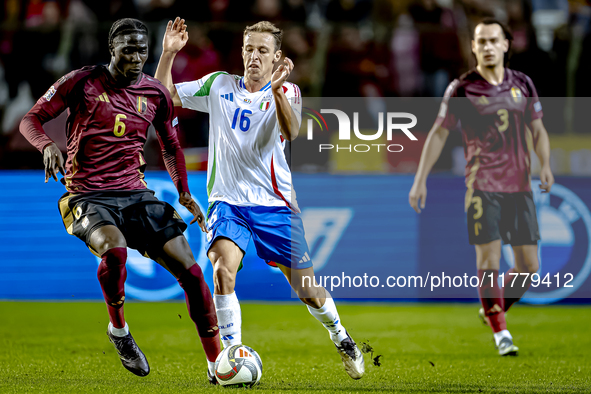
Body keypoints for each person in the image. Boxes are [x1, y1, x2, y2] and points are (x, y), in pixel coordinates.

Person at [155, 18, 365, 379]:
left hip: (275, 206)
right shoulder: (219, 85)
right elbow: (162, 98)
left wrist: (278, 90)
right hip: (228, 203)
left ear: (276, 57)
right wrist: (168, 54)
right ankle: (231, 354)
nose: (254, 56)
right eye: (249, 49)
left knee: (308, 290)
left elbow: (292, 131)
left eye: (262, 51)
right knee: (222, 271)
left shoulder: (290, 92)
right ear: (242, 51)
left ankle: (340, 335)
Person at [19, 18, 221, 381]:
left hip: (135, 194)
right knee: (114, 250)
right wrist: (46, 144)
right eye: (128, 48)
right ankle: (119, 331)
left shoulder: (155, 94)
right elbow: (30, 120)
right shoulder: (81, 81)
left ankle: (217, 364)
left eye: (142, 49)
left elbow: (171, 146)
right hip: (87, 195)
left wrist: (185, 193)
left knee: (192, 272)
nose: (136, 56)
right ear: (112, 48)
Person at [409, 18, 554, 356]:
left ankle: (494, 307)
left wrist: (545, 164)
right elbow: (439, 133)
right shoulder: (462, 88)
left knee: (530, 267)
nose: (487, 47)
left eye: (493, 40)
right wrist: (421, 178)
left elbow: (538, 128)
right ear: (473, 47)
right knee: (488, 259)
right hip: (482, 186)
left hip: (519, 187)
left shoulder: (523, 84)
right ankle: (501, 334)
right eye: (481, 42)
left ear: (506, 44)